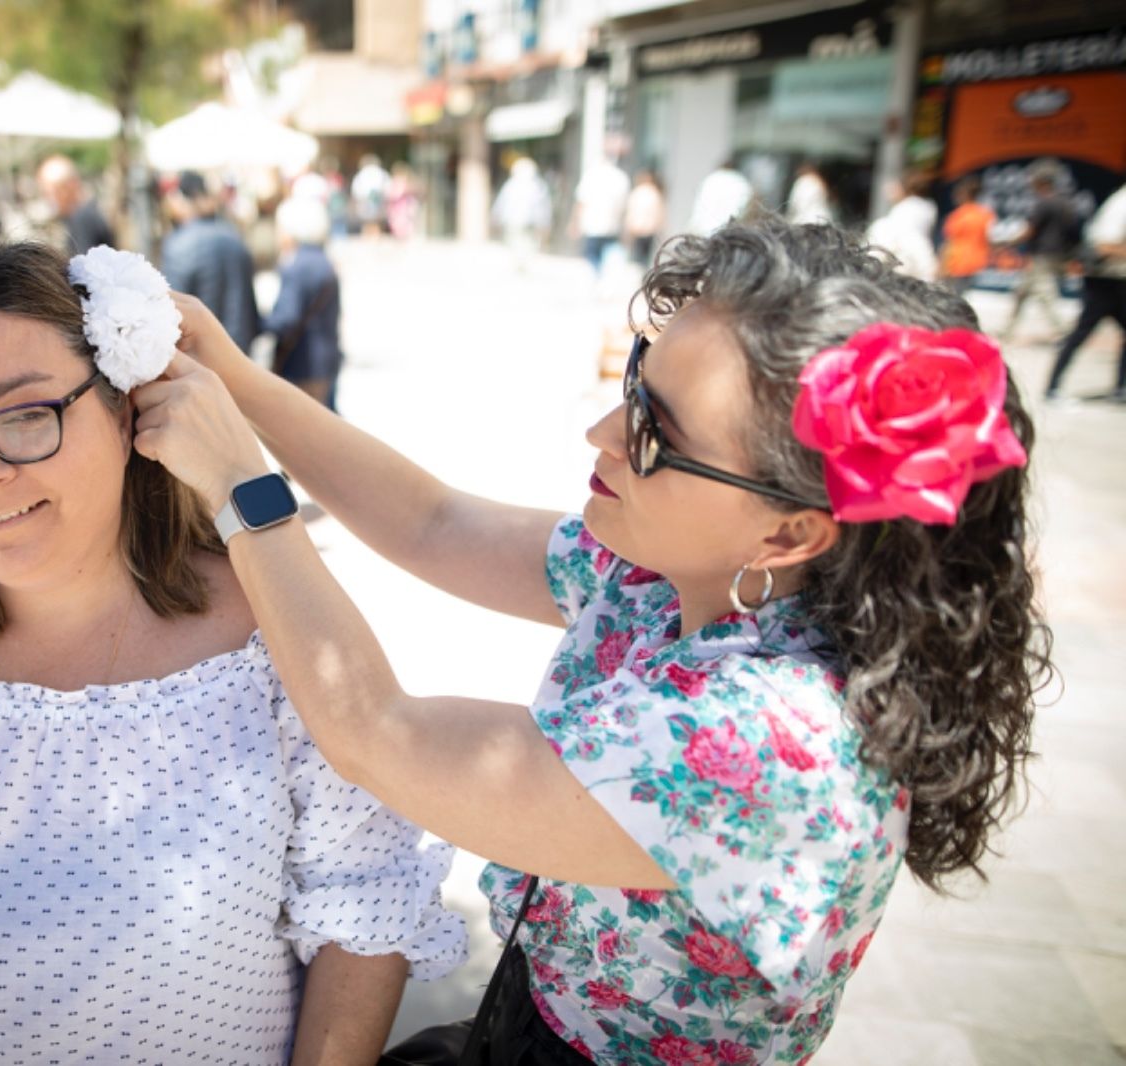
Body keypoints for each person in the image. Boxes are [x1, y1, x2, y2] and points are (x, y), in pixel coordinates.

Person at [134, 217, 1050, 1063]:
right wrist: (237, 381)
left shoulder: (770, 739)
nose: (603, 432)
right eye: (634, 387)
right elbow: (436, 523)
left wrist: (241, 491)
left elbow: (377, 733)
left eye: (655, 432)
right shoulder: (691, 578)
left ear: (790, 531)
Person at [0, 240, 463, 1064]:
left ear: (129, 411)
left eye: (25, 418)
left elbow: (360, 907)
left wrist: (240, 470)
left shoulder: (272, 634)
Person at [162, 171, 260, 355]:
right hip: (240, 352)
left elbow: (171, 306)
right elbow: (250, 306)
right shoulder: (234, 236)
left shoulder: (178, 244)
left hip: (201, 355)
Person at [1045, 182, 1126, 402]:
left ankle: (1120, 387)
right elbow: (1103, 245)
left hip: (1118, 280)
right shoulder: (1121, 202)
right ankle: (1052, 388)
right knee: (1080, 334)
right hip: (1106, 282)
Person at [263, 197, 342, 409]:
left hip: (303, 364)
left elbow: (285, 319)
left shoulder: (298, 265)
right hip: (325, 358)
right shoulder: (323, 260)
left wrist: (257, 322)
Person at [1002, 164, 1078, 342]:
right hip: (1059, 255)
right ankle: (1008, 329)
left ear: (1041, 182)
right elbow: (1074, 232)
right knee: (1021, 292)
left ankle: (1063, 330)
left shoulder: (1044, 202)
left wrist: (1008, 243)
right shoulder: (1066, 203)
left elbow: (1031, 230)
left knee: (1045, 294)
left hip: (1042, 255)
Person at [37, 154, 116, 255]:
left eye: (50, 192)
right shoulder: (86, 212)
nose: (49, 199)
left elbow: (84, 264)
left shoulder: (82, 218)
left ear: (69, 186)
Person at [866, 177, 938, 283]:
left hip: (904, 256)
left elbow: (894, 235)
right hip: (924, 255)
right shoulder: (929, 207)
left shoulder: (904, 208)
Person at [573, 157, 630, 282]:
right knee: (608, 255)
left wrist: (575, 223)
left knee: (593, 255)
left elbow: (581, 202)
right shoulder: (620, 178)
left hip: (592, 224)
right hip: (612, 225)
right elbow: (625, 206)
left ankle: (598, 277)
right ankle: (604, 279)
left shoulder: (591, 176)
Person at [940, 175, 996, 296]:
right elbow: (990, 238)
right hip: (979, 263)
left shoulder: (958, 216)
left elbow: (950, 242)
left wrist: (942, 266)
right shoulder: (986, 214)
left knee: (953, 298)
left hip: (958, 263)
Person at [492, 157, 553, 269]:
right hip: (525, 220)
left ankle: (521, 262)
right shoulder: (537, 186)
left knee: (519, 242)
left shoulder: (511, 185)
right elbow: (543, 207)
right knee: (525, 242)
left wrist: (495, 218)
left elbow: (501, 204)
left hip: (517, 220)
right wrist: (544, 223)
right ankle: (522, 262)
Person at [688, 158, 753, 235]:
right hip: (727, 234)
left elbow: (699, 209)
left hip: (704, 231)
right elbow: (742, 211)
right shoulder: (741, 182)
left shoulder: (711, 179)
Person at [622, 169, 665, 270]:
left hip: (637, 229)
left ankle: (638, 275)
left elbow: (630, 212)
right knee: (645, 258)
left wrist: (627, 230)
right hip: (649, 230)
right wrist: (661, 229)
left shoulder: (637, 192)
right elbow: (659, 213)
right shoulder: (655, 193)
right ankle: (642, 274)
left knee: (637, 258)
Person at [350, 154, 391, 237]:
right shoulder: (382, 173)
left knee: (367, 223)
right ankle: (375, 238)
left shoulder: (361, 174)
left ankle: (367, 237)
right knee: (376, 223)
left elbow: (356, 190)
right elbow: (388, 188)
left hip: (365, 202)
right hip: (378, 201)